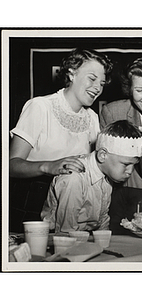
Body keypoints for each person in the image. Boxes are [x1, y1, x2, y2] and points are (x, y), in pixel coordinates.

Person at [9, 48, 113, 232]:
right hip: (32, 203)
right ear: (72, 73)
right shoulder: (40, 106)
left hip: (74, 207)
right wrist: (49, 166)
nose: (98, 88)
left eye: (102, 83)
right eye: (92, 78)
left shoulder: (93, 118)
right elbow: (11, 166)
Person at [41, 120, 142, 233]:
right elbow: (65, 232)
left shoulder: (107, 172)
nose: (130, 171)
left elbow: (102, 218)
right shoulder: (74, 179)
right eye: (126, 164)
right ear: (102, 155)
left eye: (134, 165)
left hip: (85, 236)